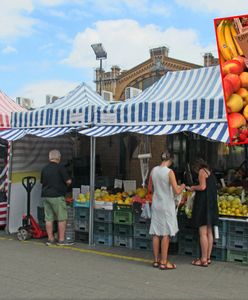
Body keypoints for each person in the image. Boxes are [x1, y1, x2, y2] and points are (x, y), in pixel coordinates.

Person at [148, 151, 185, 270]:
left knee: (155, 232)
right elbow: (177, 191)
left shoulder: (154, 170)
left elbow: (149, 188)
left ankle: (155, 260)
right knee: (165, 233)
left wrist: (157, 192)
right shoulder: (169, 172)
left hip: (156, 204)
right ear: (171, 160)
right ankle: (164, 262)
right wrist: (183, 186)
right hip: (166, 205)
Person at [189, 159, 219, 267]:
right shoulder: (209, 172)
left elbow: (202, 187)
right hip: (211, 205)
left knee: (203, 233)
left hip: (203, 206)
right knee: (209, 232)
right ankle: (208, 257)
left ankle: (203, 260)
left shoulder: (202, 172)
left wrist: (193, 187)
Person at [40, 149, 72, 246]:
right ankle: (61, 240)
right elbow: (68, 181)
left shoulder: (44, 168)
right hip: (57, 196)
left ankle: (50, 239)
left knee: (48, 218)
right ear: (59, 158)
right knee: (61, 218)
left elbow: (42, 182)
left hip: (46, 196)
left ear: (49, 157)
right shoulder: (60, 167)